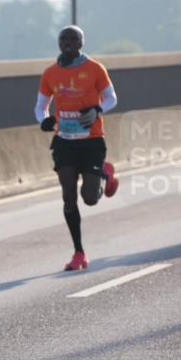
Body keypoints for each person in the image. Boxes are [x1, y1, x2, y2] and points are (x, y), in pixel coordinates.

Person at [35, 25, 119, 272]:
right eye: (64, 39)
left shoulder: (94, 69)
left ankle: (105, 173)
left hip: (91, 141)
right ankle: (79, 253)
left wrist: (97, 111)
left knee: (90, 199)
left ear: (81, 43)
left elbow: (112, 97)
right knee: (68, 194)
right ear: (59, 43)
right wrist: (44, 121)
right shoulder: (50, 73)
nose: (68, 42)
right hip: (64, 142)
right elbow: (40, 106)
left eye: (73, 38)